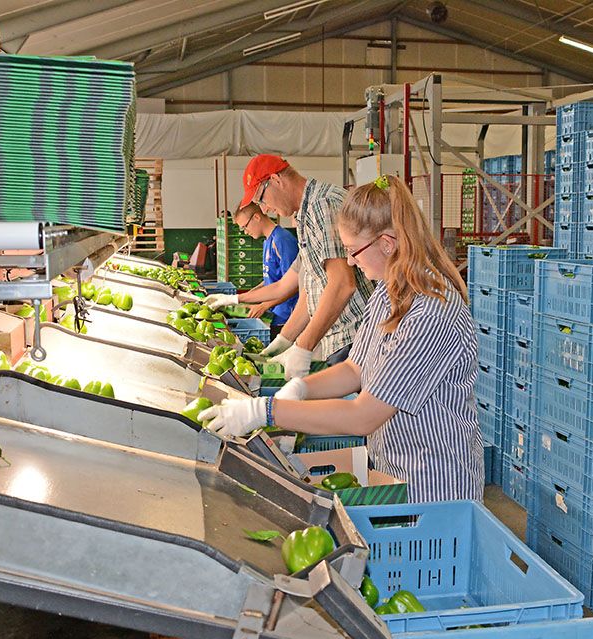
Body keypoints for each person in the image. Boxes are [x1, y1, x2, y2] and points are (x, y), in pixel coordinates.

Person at [200, 176, 484, 503]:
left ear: (387, 243)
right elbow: (354, 368)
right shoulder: (387, 292)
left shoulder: (430, 312)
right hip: (395, 465)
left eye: (353, 251)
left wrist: (268, 411)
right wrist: (303, 388)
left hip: (433, 480)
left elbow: (364, 416)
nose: (350, 261)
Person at [203, 155, 373, 379]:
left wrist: (303, 346)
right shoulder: (304, 214)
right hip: (339, 338)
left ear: (275, 180)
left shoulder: (321, 205)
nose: (264, 209)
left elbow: (342, 284)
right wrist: (284, 341)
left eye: (261, 199)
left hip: (355, 337)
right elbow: (309, 288)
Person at [230, 202, 299, 338]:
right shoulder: (268, 241)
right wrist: (251, 295)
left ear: (256, 217)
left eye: (245, 226)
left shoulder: (282, 240)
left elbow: (293, 286)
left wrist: (263, 306)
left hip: (287, 318)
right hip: (275, 314)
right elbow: (271, 279)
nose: (245, 231)